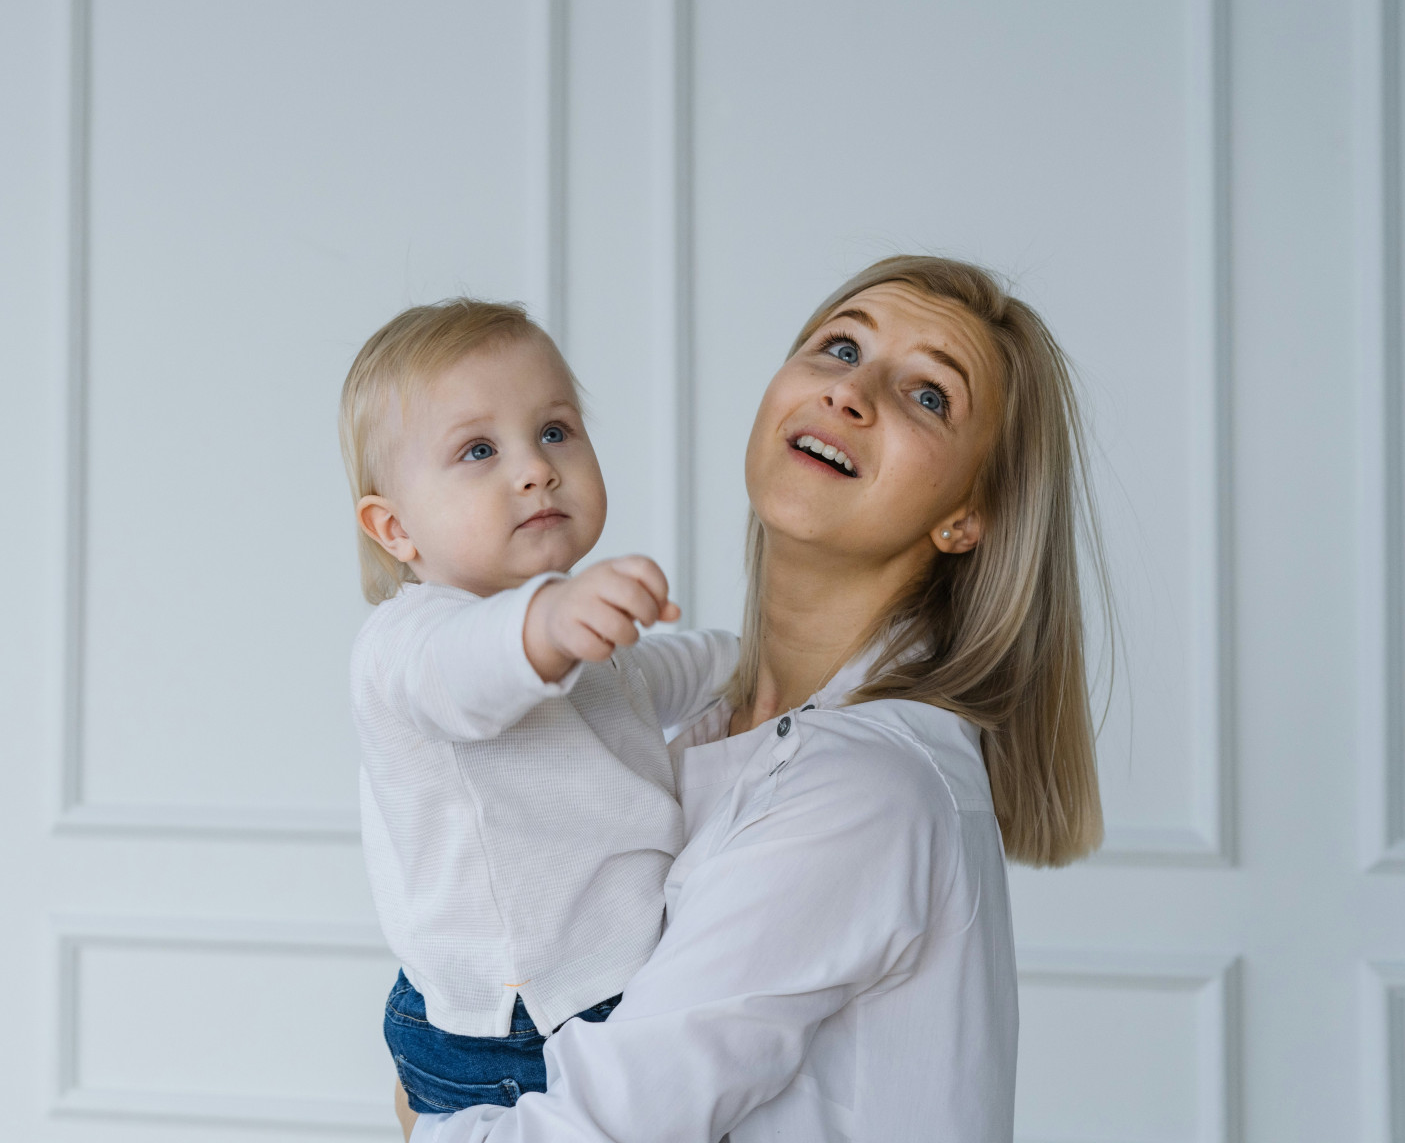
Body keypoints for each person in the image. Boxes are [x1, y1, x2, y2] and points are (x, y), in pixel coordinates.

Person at [399, 256, 1107, 1142]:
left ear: (967, 515)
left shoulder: (864, 788)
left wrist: (420, 1115)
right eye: (840, 347)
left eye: (929, 395)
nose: (850, 392)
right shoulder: (700, 726)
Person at [340, 299, 738, 1114]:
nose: (536, 469)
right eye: (478, 450)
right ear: (395, 528)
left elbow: (656, 681)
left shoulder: (566, 637)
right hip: (518, 1025)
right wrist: (549, 622)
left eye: (555, 431)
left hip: (605, 982)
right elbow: (464, 676)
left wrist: (764, 655)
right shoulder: (409, 642)